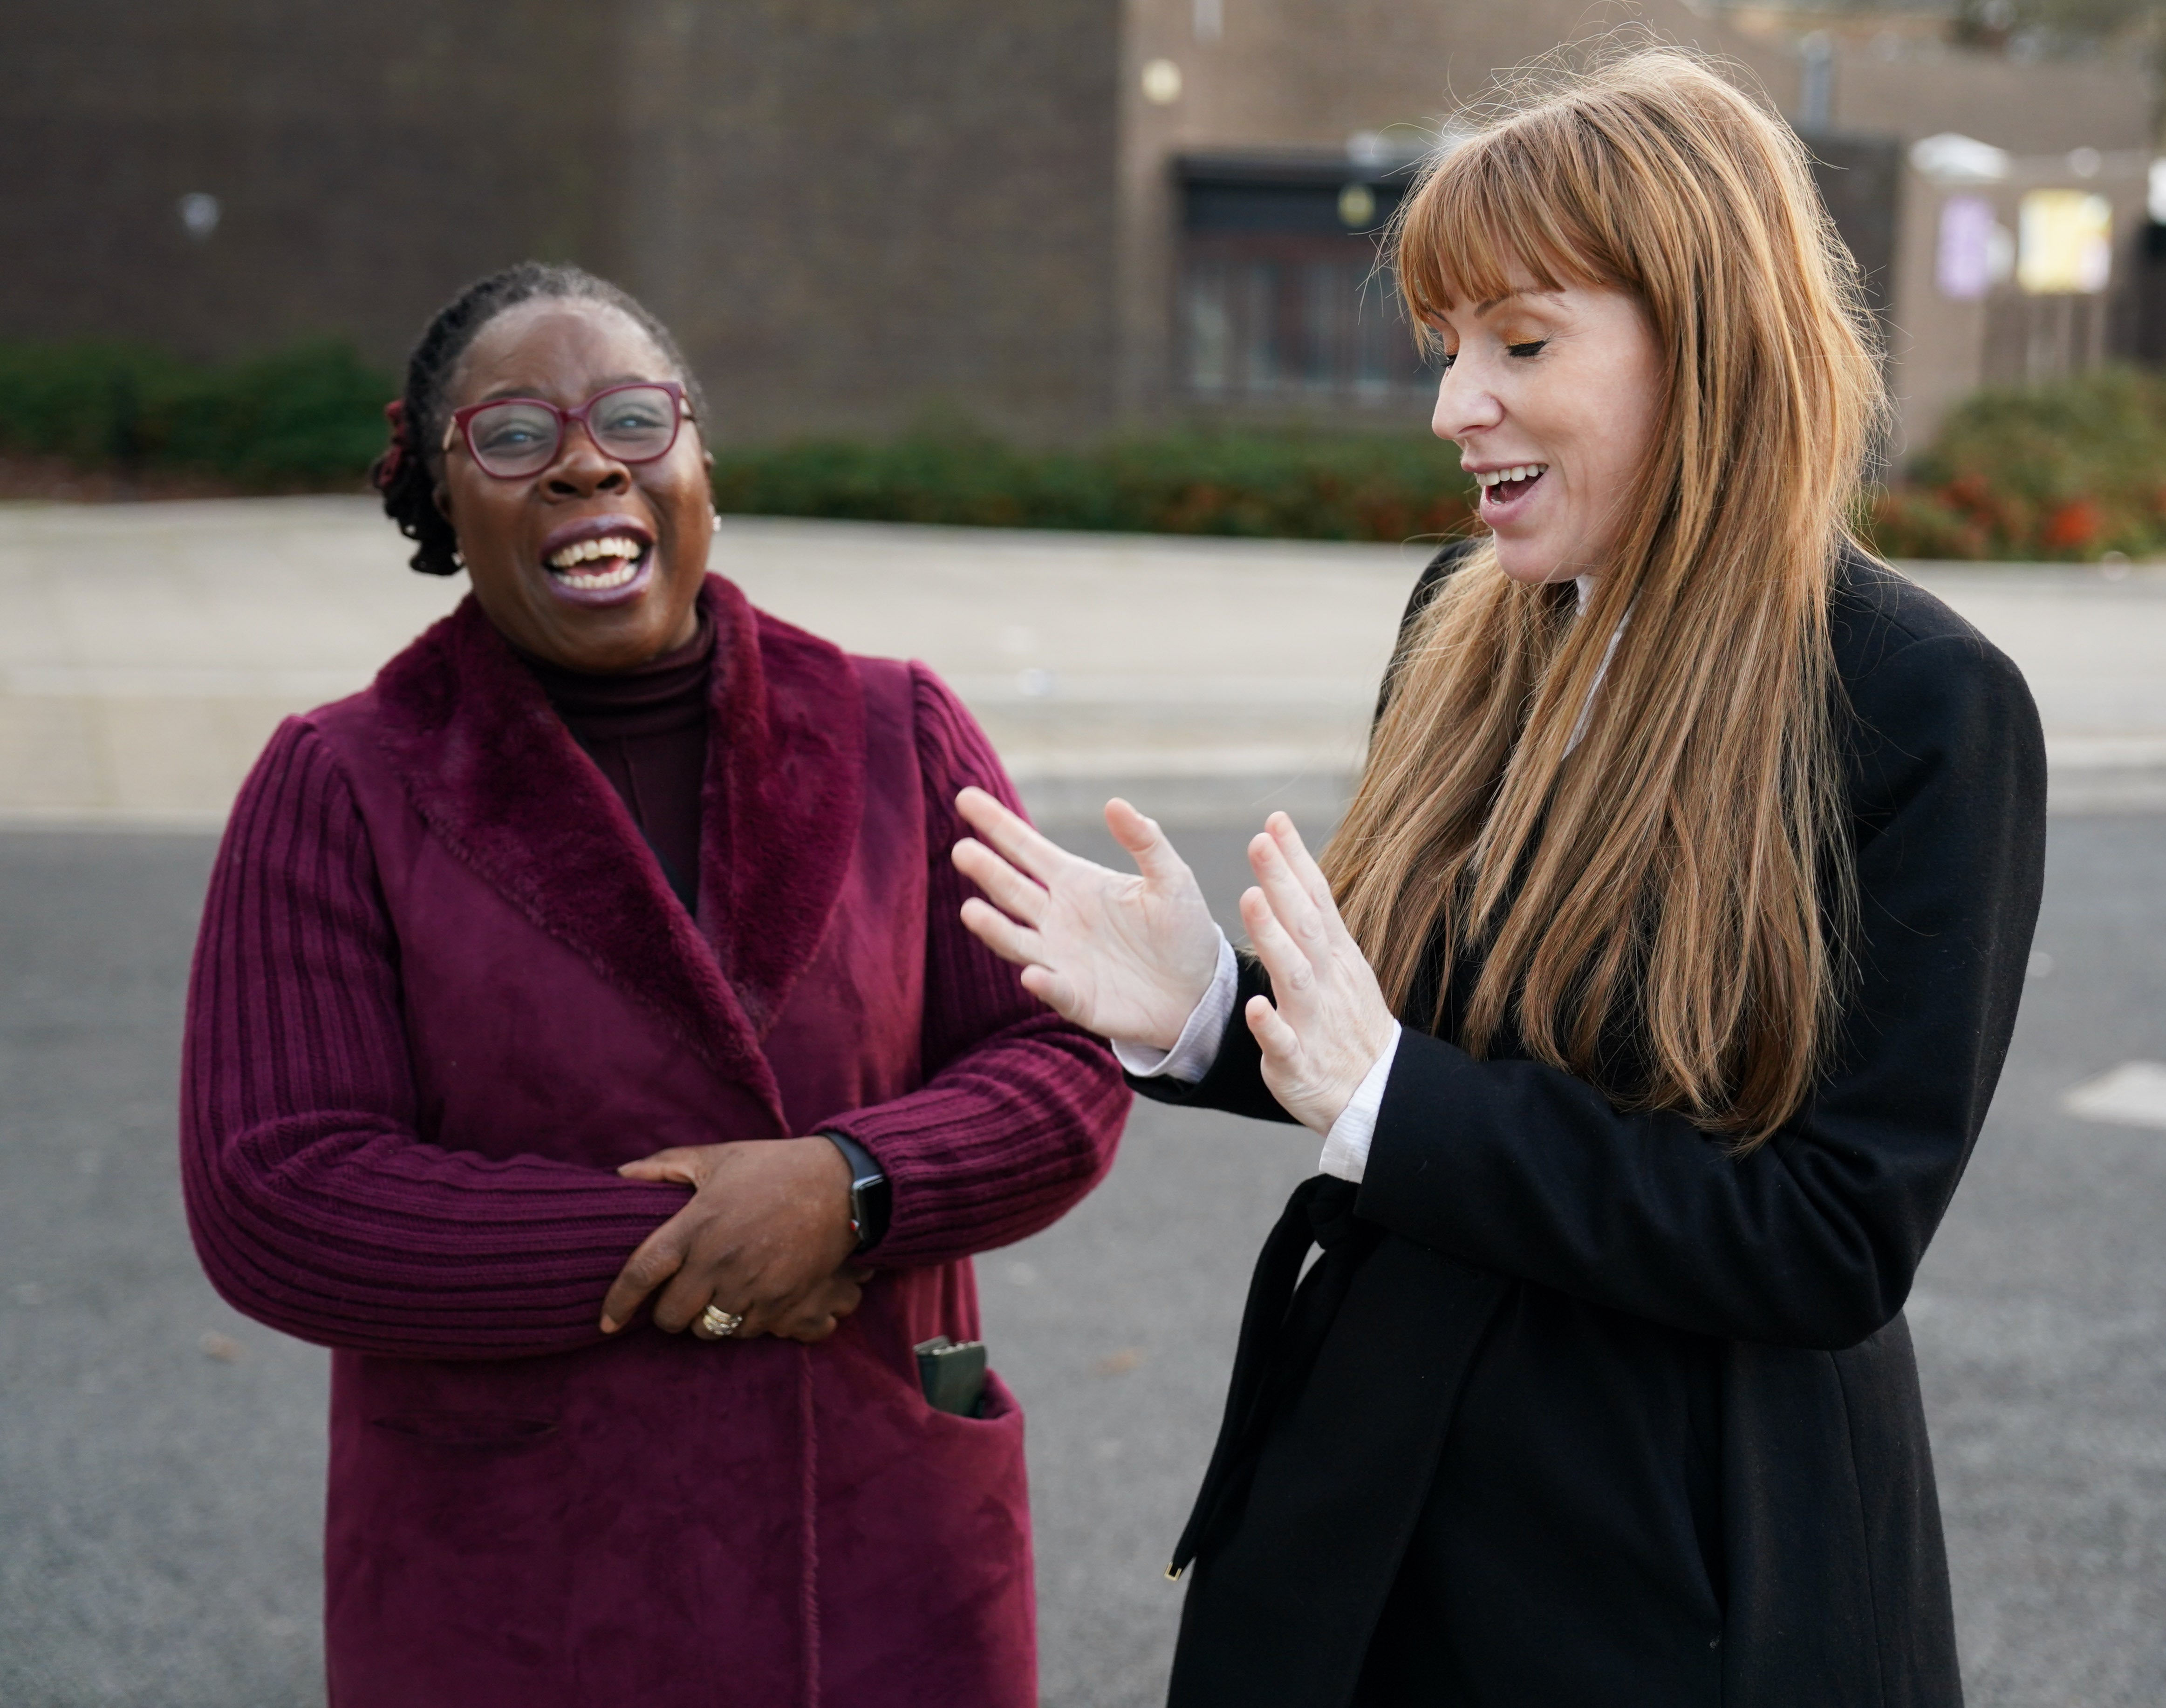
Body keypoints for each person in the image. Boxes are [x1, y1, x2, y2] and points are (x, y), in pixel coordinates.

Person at [950, 47, 2045, 1708]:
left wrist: (1382, 1092)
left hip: (1677, 1544)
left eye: (1521, 342)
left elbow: (1829, 1239)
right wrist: (1206, 1009)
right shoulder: (1463, 623)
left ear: (1713, 340)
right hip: (1367, 1484)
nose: (1456, 405)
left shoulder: (1920, 704)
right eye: (1449, 349)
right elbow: (1421, 1058)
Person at [178, 261, 1130, 1705]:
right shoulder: (338, 783)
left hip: (879, 1554)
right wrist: (707, 1256)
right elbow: (280, 1191)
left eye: (633, 417)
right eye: (511, 434)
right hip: (520, 1590)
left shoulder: (901, 729)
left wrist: (848, 1186)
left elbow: (1057, 1066)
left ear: (698, 467)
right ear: (445, 506)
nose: (581, 460)